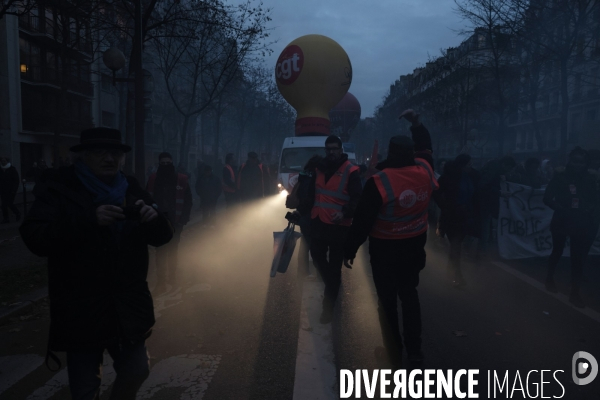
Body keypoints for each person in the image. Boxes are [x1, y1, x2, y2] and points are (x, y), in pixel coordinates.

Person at [19, 127, 173, 400]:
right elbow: (35, 237)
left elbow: (163, 236)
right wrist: (89, 220)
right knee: (85, 387)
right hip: (81, 307)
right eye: (100, 152)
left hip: (127, 305)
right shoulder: (59, 189)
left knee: (137, 370)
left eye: (115, 153)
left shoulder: (131, 188)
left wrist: (154, 218)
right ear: (83, 156)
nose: (109, 158)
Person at [343, 109, 439, 368]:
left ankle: (393, 352)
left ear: (390, 153)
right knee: (410, 297)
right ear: (412, 155)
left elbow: (362, 221)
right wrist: (417, 124)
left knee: (386, 302)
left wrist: (349, 250)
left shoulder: (380, 181)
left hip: (385, 252)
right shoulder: (425, 172)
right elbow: (427, 149)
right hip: (414, 249)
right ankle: (415, 351)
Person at [296, 135, 362, 324]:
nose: (331, 152)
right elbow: (311, 196)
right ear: (325, 150)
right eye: (328, 149)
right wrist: (299, 212)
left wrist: (344, 213)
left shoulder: (351, 171)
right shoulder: (319, 169)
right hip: (318, 222)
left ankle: (328, 308)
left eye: (335, 149)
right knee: (317, 258)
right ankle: (332, 284)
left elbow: (357, 199)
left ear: (341, 150)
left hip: (339, 227)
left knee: (334, 267)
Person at [543, 147, 598, 308]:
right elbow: (547, 198)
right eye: (575, 161)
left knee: (578, 257)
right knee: (557, 250)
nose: (578, 165)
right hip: (562, 219)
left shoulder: (590, 178)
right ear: (570, 161)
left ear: (586, 163)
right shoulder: (560, 177)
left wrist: (589, 210)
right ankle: (549, 278)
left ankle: (575, 292)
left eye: (582, 162)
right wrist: (560, 208)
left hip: (581, 222)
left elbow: (594, 199)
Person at [146, 152, 193, 293]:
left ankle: (172, 279)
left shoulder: (182, 179)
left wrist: (184, 219)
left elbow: (188, 200)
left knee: (172, 251)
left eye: (168, 163)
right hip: (158, 222)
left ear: (172, 163)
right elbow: (147, 197)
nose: (165, 165)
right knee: (160, 252)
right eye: (163, 163)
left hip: (176, 222)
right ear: (159, 163)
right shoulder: (153, 179)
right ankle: (161, 282)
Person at [437, 153, 480, 286]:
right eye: (469, 164)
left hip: (465, 216)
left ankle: (452, 273)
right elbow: (436, 192)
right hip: (452, 216)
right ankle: (457, 275)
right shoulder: (448, 177)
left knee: (456, 246)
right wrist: (446, 206)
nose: (471, 167)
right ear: (462, 165)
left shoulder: (469, 177)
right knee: (456, 245)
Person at [286, 155, 323, 277]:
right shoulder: (314, 178)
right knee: (315, 245)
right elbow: (309, 198)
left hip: (303, 214)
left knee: (305, 244)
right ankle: (319, 272)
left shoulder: (303, 176)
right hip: (310, 214)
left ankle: (303, 270)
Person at [477, 156, 517, 261]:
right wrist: (500, 193)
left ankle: (479, 251)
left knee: (485, 227)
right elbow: (483, 186)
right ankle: (481, 253)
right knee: (484, 228)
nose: (508, 171)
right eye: (508, 168)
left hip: (486, 203)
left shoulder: (494, 169)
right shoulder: (493, 170)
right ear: (505, 165)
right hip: (484, 203)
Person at [0, 157, 21, 223]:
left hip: (10, 190)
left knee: (9, 203)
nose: (3, 162)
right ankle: (6, 218)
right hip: (3, 190)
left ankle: (17, 213)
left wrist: (14, 190)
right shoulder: (0, 169)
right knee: (4, 205)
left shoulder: (12, 169)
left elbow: (16, 181)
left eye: (4, 161)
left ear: (7, 161)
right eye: (2, 161)